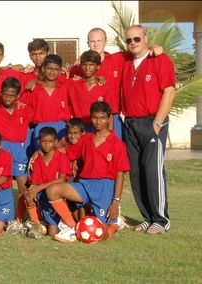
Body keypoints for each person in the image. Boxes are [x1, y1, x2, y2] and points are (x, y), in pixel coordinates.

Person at [46, 101, 129, 242]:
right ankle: (72, 228)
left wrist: (116, 202)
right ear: (91, 118)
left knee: (101, 235)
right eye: (95, 117)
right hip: (84, 185)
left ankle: (115, 223)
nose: (98, 121)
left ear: (109, 118)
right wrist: (40, 153)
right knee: (52, 190)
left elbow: (120, 174)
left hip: (104, 188)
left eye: (102, 118)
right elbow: (65, 151)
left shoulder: (117, 144)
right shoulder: (86, 139)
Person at [121, 25, 176, 235]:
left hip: (152, 121)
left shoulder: (159, 60)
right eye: (129, 40)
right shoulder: (126, 60)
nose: (133, 43)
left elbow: (169, 92)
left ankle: (161, 220)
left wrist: (158, 122)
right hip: (131, 123)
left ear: (145, 38)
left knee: (153, 171)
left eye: (137, 38)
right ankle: (147, 217)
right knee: (136, 173)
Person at [0, 77, 33, 234]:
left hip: (19, 151)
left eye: (12, 95)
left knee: (23, 187)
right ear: (1, 93)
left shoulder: (24, 109)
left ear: (18, 96)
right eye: (5, 95)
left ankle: (19, 220)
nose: (8, 98)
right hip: (2, 151)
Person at [24, 127, 71, 239]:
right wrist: (32, 188)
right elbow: (34, 179)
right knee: (27, 192)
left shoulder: (61, 157)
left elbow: (62, 179)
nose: (46, 145)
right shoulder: (38, 160)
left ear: (55, 142)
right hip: (43, 195)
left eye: (50, 142)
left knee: (52, 233)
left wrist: (39, 187)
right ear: (39, 142)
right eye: (43, 142)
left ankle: (64, 223)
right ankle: (37, 224)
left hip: (57, 196)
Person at [25, 54, 71, 155]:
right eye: (49, 68)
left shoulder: (65, 88)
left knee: (60, 157)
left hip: (61, 128)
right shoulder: (34, 88)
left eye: (56, 69)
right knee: (40, 158)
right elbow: (27, 109)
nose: (52, 72)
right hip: (41, 128)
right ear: (43, 69)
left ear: (60, 71)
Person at [68, 50, 115, 132]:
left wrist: (110, 134)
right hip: (77, 129)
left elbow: (109, 114)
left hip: (97, 129)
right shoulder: (73, 84)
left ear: (98, 66)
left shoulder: (105, 87)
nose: (87, 68)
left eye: (91, 64)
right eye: (84, 64)